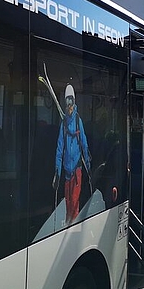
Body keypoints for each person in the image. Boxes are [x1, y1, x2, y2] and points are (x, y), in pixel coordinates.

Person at [55, 84, 91, 224]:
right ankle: (68, 226)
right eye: (67, 101)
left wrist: (87, 164)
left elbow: (84, 143)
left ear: (74, 102)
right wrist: (57, 171)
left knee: (74, 203)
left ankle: (73, 228)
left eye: (71, 101)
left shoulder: (77, 121)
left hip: (76, 169)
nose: (69, 105)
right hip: (66, 171)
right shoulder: (63, 124)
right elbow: (59, 147)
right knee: (68, 202)